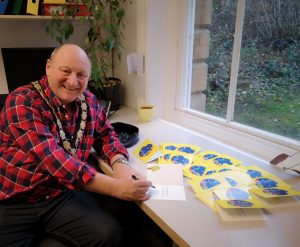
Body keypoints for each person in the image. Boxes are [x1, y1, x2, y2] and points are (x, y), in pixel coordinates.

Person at [0, 44, 170, 247]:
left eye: (82, 74)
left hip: (58, 195)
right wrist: (117, 187)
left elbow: (106, 134)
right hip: (13, 201)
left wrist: (120, 164)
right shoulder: (21, 101)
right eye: (65, 71)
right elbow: (55, 160)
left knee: (108, 235)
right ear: (48, 67)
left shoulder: (87, 101)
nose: (73, 82)